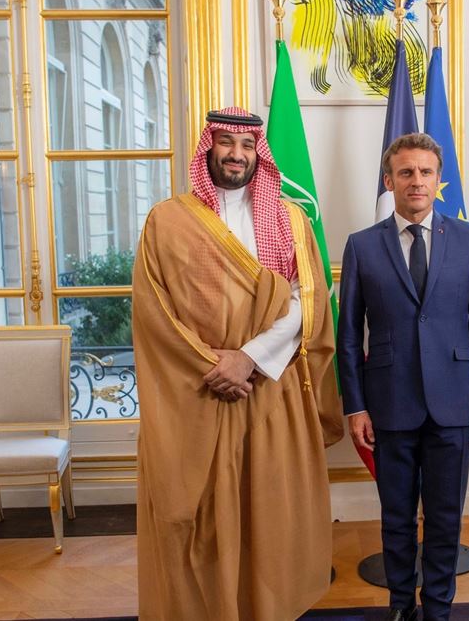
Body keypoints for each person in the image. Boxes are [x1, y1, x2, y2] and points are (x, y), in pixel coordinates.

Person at [132, 107, 343, 620]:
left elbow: (307, 301)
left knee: (270, 511)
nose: (236, 154)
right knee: (202, 519)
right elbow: (154, 312)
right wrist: (216, 365)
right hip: (198, 391)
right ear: (208, 147)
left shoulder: (291, 219)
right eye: (226, 142)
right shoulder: (168, 220)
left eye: (247, 145)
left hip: (270, 389)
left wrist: (248, 358)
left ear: (258, 153)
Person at [337, 133, 469, 621]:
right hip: (389, 404)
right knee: (397, 519)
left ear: (438, 179)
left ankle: (439, 610)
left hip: (455, 401)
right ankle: (401, 607)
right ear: (389, 181)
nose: (416, 180)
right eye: (406, 172)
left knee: (446, 519)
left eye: (425, 172)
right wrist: (355, 405)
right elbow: (349, 336)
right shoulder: (362, 246)